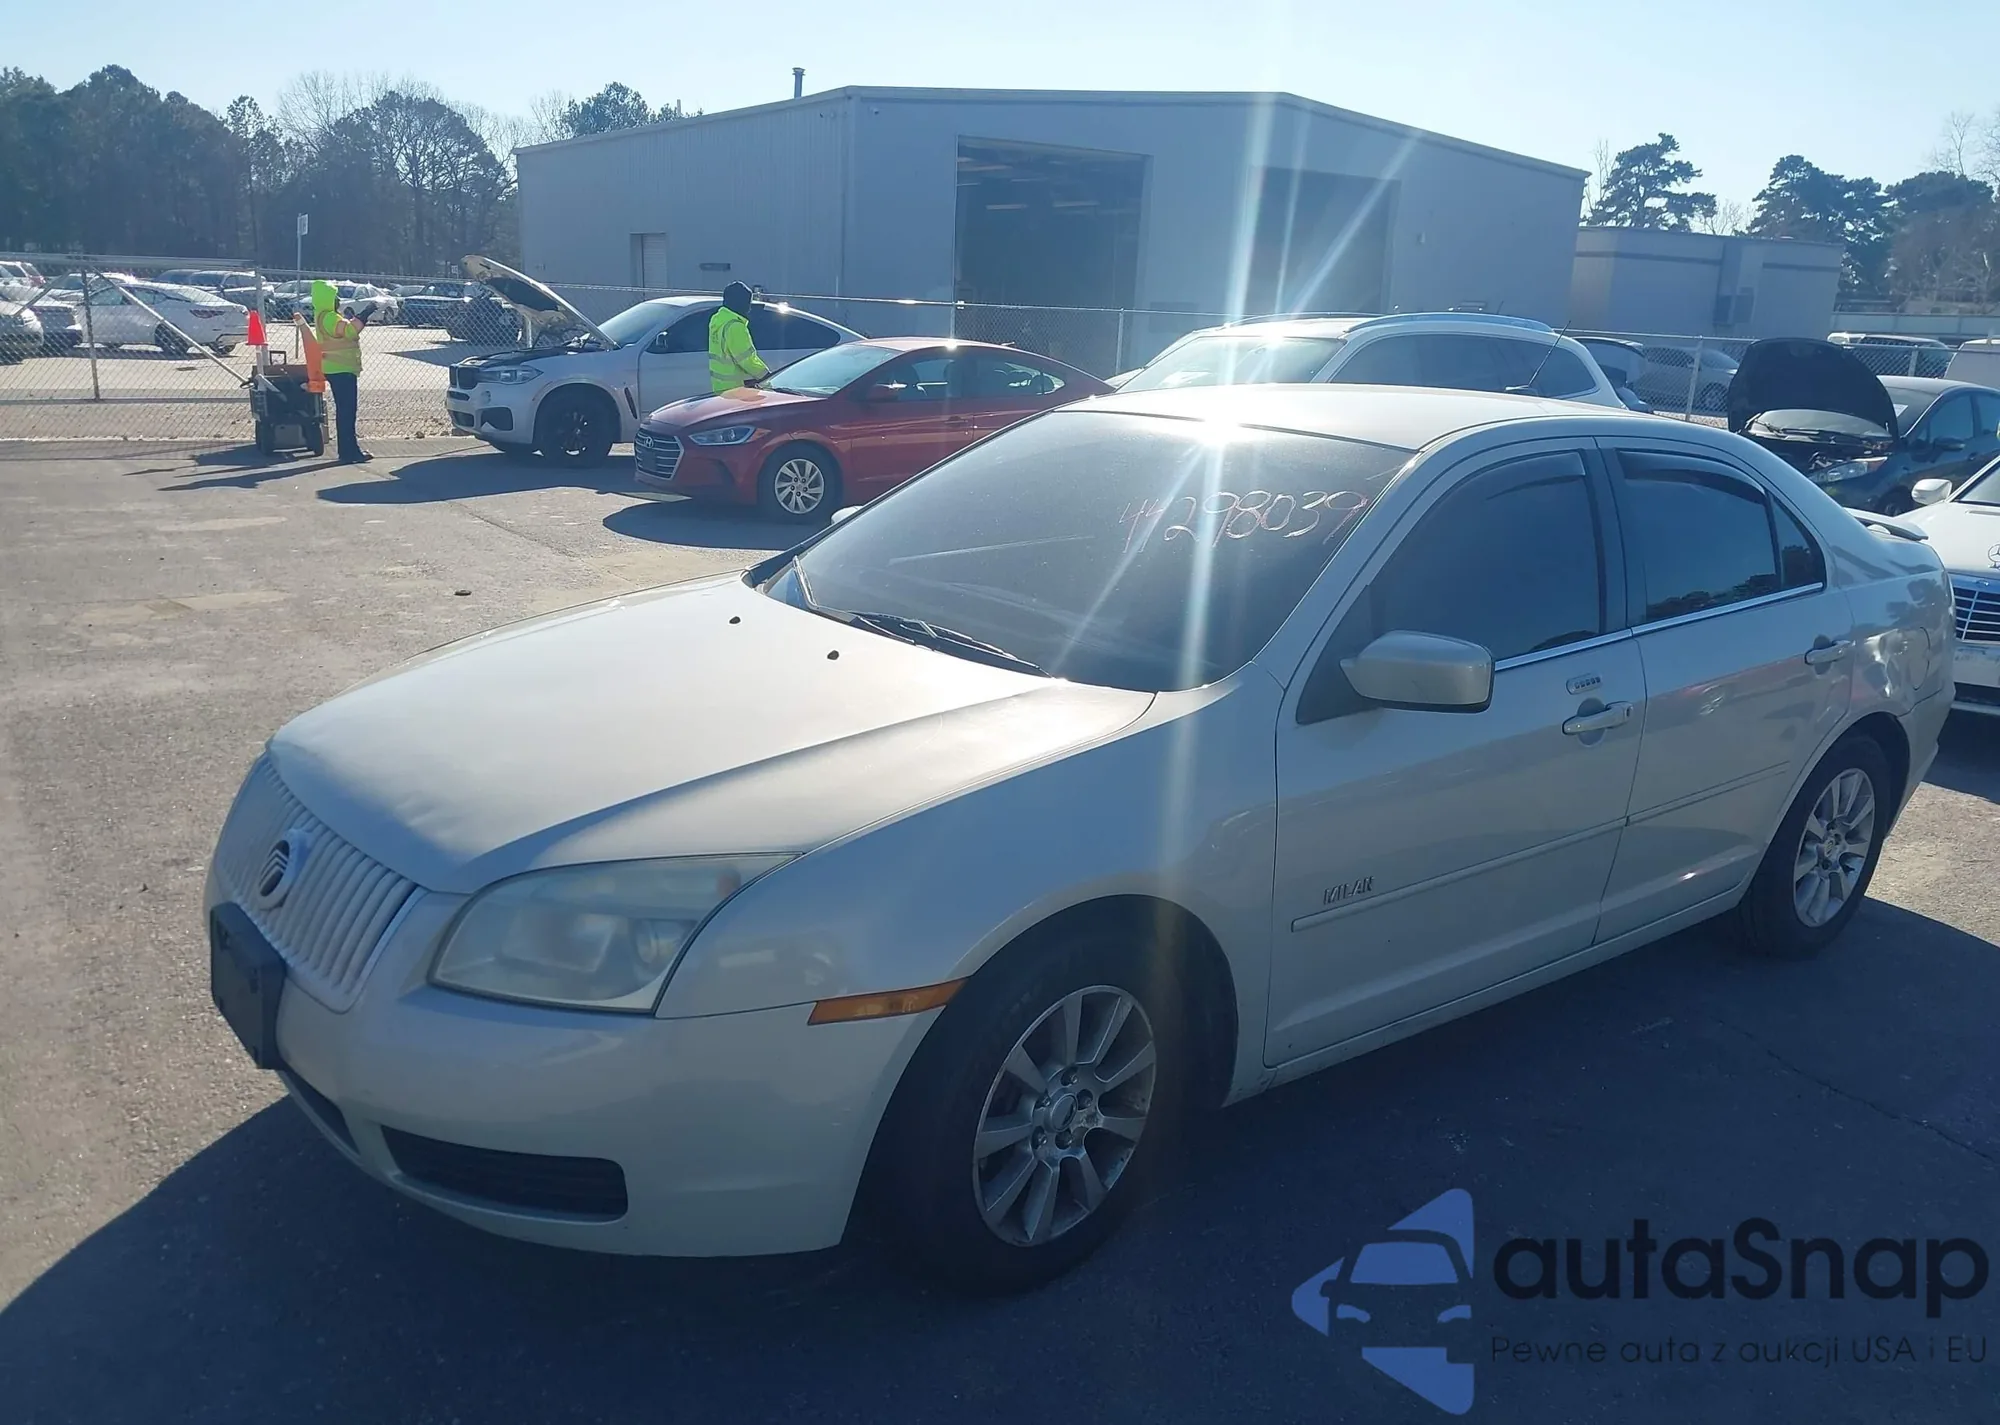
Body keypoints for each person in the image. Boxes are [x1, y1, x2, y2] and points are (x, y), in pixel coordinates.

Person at [296, 279, 369, 463]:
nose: (338, 300)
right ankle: (349, 452)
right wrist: (363, 316)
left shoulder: (324, 316)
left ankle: (348, 450)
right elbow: (350, 331)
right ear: (328, 299)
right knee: (347, 412)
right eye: (335, 297)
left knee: (345, 411)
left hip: (335, 367)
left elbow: (341, 332)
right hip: (340, 369)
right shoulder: (329, 317)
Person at [707, 281, 769, 393]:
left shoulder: (717, 319)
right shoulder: (735, 326)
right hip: (736, 389)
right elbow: (747, 361)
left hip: (719, 386)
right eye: (748, 303)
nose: (749, 308)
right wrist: (767, 378)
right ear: (740, 303)